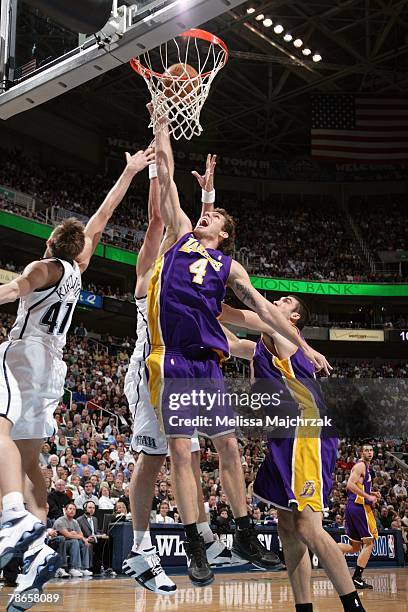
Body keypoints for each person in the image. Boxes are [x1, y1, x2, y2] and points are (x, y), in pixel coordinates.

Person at [149, 120, 331, 586]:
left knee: (228, 445)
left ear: (225, 234)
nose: (205, 216)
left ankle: (245, 530)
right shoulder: (183, 234)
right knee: (182, 450)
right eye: (207, 213)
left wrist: (305, 346)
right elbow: (167, 178)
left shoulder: (231, 268)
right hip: (175, 357)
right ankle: (195, 543)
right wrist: (163, 124)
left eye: (214, 217)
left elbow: (266, 312)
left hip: (208, 361)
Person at [0, 146, 155, 603]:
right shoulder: (78, 269)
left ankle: (12, 517)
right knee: (30, 464)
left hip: (24, 354)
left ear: (50, 242)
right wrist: (128, 172)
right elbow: (102, 218)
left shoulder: (42, 267)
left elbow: (14, 290)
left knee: (0, 431)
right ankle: (36, 551)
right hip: (54, 368)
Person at [122, 149, 256, 595]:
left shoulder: (189, 263)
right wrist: (158, 165)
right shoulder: (150, 270)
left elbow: (198, 241)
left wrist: (207, 196)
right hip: (152, 368)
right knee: (156, 459)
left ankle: (204, 535)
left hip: (181, 366)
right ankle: (142, 549)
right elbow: (163, 214)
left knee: (192, 455)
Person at [219, 297, 366, 612]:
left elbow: (233, 312)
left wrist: (199, 283)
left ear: (294, 317)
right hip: (282, 437)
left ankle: (354, 606)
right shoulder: (260, 346)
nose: (276, 301)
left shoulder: (282, 334)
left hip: (306, 431)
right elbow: (229, 340)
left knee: (307, 527)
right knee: (286, 527)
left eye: (285, 301)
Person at [338, 444, 381, 590]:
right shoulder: (360, 465)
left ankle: (330, 549)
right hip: (359, 507)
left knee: (354, 547)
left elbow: (359, 486)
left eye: (371, 450)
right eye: (366, 450)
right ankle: (357, 578)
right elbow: (349, 485)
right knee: (370, 542)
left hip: (353, 507)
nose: (369, 452)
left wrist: (372, 493)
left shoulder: (366, 468)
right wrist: (368, 496)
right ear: (361, 453)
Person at [53, 502, 92, 577]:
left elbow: (81, 535)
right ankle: (73, 568)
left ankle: (83, 568)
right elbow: (66, 535)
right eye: (70, 509)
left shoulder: (75, 522)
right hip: (60, 543)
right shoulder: (60, 521)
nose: (72, 511)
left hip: (69, 542)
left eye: (74, 509)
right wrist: (73, 534)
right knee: (75, 542)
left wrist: (76, 535)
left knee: (84, 543)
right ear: (65, 510)